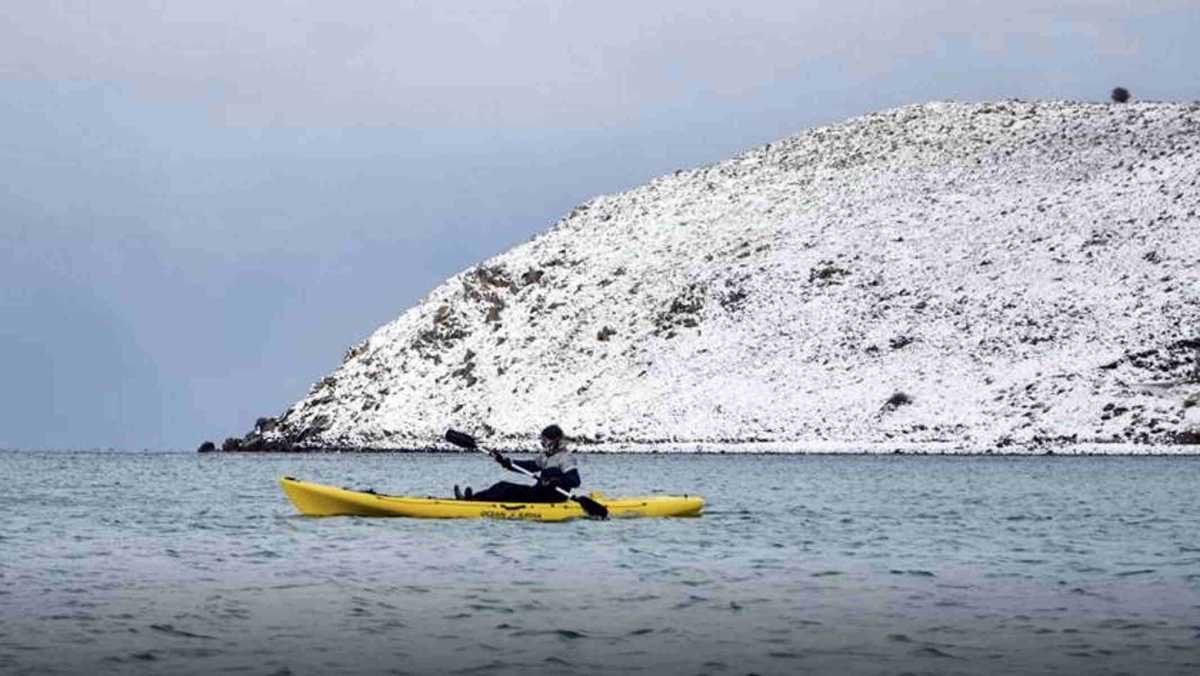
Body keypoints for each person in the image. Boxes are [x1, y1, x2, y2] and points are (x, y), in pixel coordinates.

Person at [454, 425, 580, 503]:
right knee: (501, 486)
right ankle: (472, 499)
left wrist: (555, 480)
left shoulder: (566, 458)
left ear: (555, 441)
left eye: (545, 441)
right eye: (542, 441)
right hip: (539, 492)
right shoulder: (546, 456)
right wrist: (507, 463)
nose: (543, 444)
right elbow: (529, 466)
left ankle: (472, 501)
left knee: (504, 488)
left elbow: (575, 480)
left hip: (553, 497)